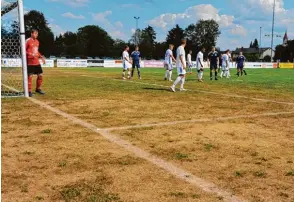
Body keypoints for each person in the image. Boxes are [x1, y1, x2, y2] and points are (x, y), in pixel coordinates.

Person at [26, 29, 46, 97]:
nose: (36, 35)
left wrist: (41, 57)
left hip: (36, 62)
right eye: (35, 33)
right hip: (30, 62)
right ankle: (29, 91)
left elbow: (37, 51)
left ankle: (38, 89)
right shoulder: (28, 41)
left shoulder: (37, 41)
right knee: (30, 76)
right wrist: (30, 54)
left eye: (37, 34)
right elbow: (23, 50)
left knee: (40, 75)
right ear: (31, 34)